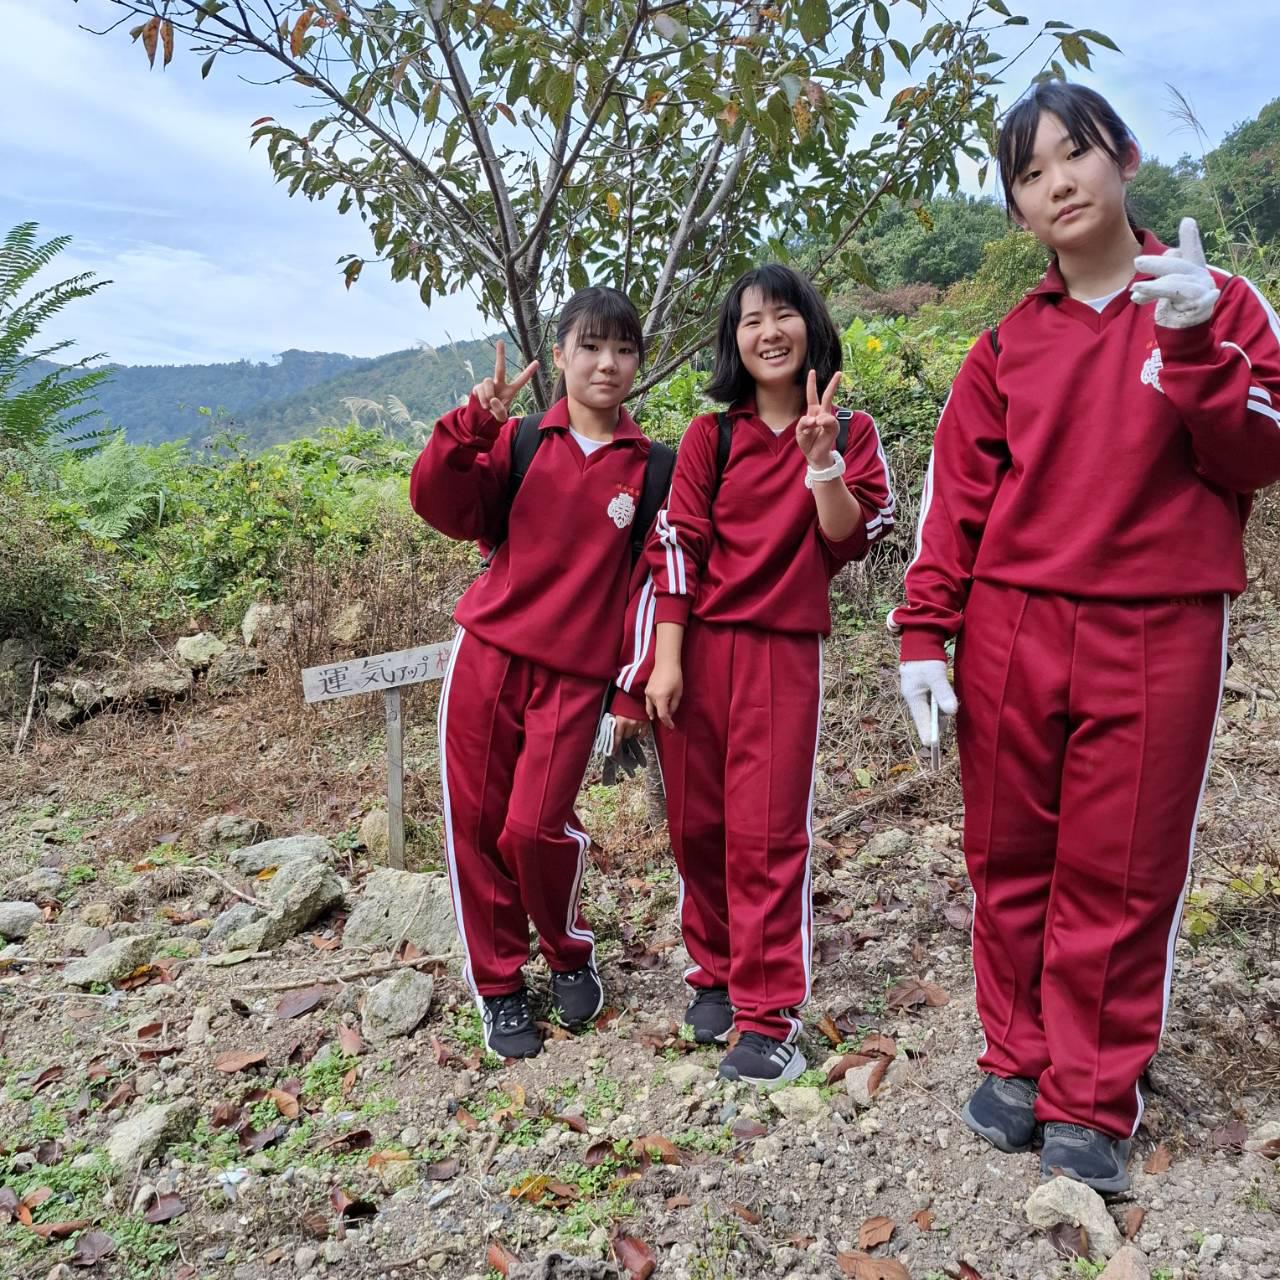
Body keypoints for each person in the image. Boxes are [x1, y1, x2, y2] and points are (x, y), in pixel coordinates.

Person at [890, 81, 1280, 1191]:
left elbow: (1256, 452)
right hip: (1010, 622)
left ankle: (1091, 1095)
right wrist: (925, 633)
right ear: (1014, 209)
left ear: (1124, 156)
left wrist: (1197, 344)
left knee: (1120, 868)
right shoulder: (1003, 345)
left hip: (1158, 622)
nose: (1056, 180)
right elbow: (952, 502)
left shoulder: (1219, 301)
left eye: (1074, 153)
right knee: (1007, 852)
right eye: (1027, 171)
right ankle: (1017, 1056)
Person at [612, 264, 895, 1085]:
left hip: (781, 652)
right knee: (696, 826)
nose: (768, 332)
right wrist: (663, 660)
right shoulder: (712, 437)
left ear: (810, 324)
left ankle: (769, 1017)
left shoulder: (850, 431)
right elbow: (678, 548)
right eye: (749, 321)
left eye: (782, 316)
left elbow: (847, 540)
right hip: (696, 650)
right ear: (733, 342)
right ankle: (717, 970)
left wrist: (821, 462)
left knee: (767, 833)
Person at [409, 288, 656, 1058]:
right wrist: (472, 420)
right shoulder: (517, 443)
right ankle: (500, 987)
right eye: (589, 346)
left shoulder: (652, 470)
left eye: (622, 348)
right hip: (487, 656)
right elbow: (439, 502)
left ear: (637, 361)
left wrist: (630, 686)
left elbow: (652, 585)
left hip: (577, 677)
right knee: (477, 826)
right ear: (559, 356)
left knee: (534, 827)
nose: (606, 363)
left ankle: (568, 947)